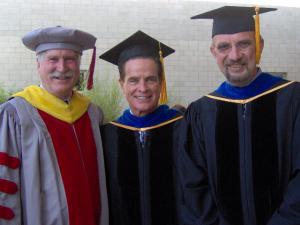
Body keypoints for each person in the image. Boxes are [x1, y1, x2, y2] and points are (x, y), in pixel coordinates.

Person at [178, 6, 300, 225]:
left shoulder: (293, 99)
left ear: (259, 45)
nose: (234, 55)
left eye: (244, 43)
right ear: (213, 52)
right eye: (224, 46)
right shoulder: (201, 113)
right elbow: (194, 188)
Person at [0, 26, 108, 225]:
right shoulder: (15, 114)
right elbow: (4, 187)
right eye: (53, 59)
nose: (62, 67)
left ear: (78, 65)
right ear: (38, 65)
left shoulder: (92, 114)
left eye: (70, 59)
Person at [99, 30, 183, 225]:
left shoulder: (184, 130)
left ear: (161, 83)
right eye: (134, 80)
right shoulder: (107, 136)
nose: (143, 88)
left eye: (151, 79)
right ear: (121, 84)